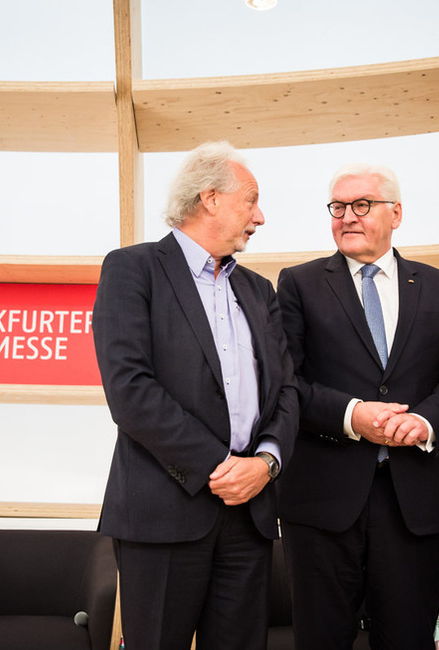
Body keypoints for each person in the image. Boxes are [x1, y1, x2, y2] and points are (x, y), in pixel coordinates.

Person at [92, 141, 298, 650]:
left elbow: (286, 390)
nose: (261, 216)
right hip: (163, 513)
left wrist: (265, 463)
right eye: (251, 200)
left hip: (248, 513)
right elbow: (130, 391)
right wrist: (221, 465)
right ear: (210, 198)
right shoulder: (132, 269)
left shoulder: (259, 290)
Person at [276, 163, 439, 649]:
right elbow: (286, 383)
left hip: (414, 505)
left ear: (395, 213)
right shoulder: (297, 284)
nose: (348, 217)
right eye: (338, 207)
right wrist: (352, 416)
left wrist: (425, 422)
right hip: (322, 503)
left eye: (362, 205)